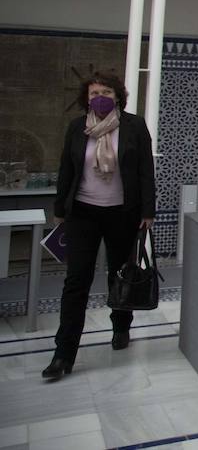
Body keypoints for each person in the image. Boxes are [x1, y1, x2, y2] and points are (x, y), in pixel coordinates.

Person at [44, 71, 155, 381]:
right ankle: (63, 354)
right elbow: (67, 167)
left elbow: (146, 169)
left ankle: (121, 327)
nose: (100, 97)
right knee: (76, 281)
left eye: (105, 91)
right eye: (94, 93)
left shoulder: (134, 126)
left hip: (122, 212)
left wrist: (148, 210)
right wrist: (59, 209)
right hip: (82, 213)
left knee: (119, 276)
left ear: (117, 95)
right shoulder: (77, 127)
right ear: (86, 97)